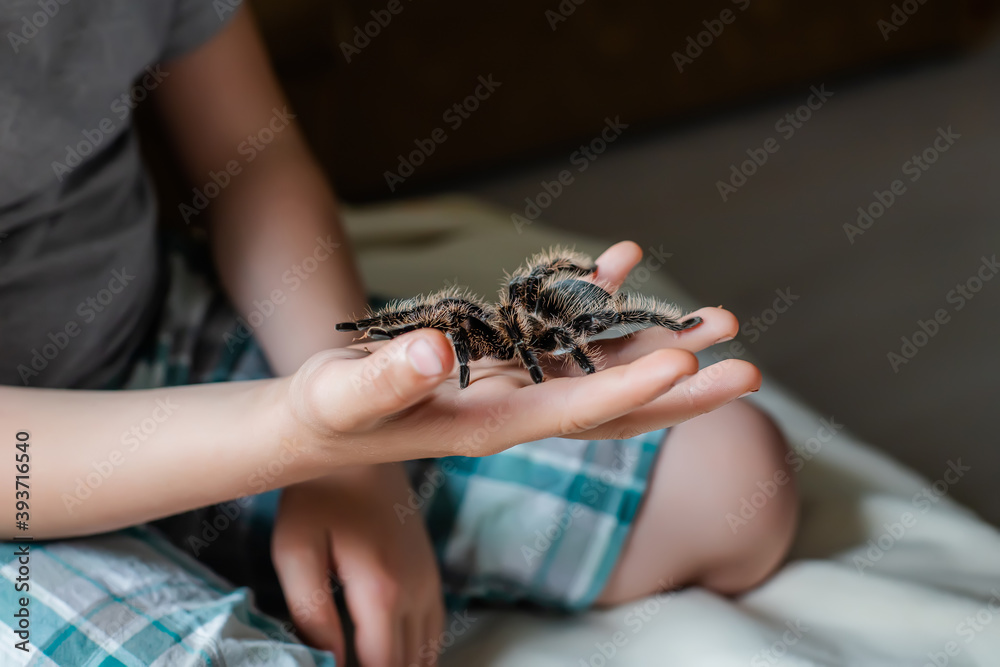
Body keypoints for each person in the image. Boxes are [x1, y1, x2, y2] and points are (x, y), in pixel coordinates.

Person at [0, 3, 797, 665]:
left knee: (733, 479)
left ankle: (278, 566)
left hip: (154, 339)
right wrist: (304, 436)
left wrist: (355, 431)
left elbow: (253, 156)